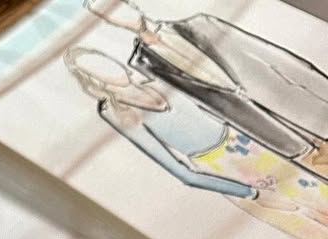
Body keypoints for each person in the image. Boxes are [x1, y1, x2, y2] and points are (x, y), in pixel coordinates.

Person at [67, 49, 328, 239]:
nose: (110, 69)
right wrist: (253, 194)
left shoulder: (155, 82)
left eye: (104, 60)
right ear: (92, 79)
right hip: (228, 173)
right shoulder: (119, 113)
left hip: (254, 149)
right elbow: (183, 174)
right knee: (310, 227)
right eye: (97, 69)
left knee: (321, 198)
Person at [84, 0, 328, 173]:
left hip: (304, 107)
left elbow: (275, 58)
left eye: (117, 7)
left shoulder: (200, 24)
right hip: (277, 134)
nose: (119, 16)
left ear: (131, 4)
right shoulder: (141, 63)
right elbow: (200, 105)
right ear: (110, 23)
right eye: (109, 16)